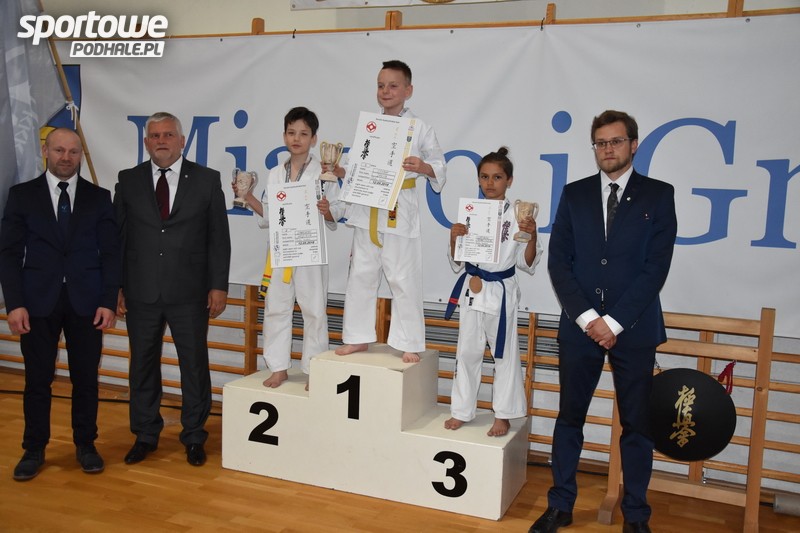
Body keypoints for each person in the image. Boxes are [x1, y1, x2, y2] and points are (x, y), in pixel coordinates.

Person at [531, 110, 677, 533]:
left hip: (634, 328)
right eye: (600, 142)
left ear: (634, 144)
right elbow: (559, 263)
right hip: (580, 328)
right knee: (569, 418)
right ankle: (560, 505)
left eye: (616, 141)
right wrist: (588, 318)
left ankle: (636, 515)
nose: (608, 149)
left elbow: (656, 267)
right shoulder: (574, 194)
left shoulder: (658, 195)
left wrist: (613, 323)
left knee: (637, 426)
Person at [0, 128, 120, 481]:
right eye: (59, 150)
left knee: (86, 380)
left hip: (87, 303)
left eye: (73, 151)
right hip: (37, 303)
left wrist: (108, 301)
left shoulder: (99, 198)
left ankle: (86, 445)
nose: (66, 157)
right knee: (37, 380)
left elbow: (111, 254)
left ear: (81, 154)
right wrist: (14, 304)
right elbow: (8, 254)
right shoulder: (22, 196)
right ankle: (33, 449)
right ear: (45, 151)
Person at [114, 112, 231, 467]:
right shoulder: (128, 180)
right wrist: (115, 287)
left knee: (193, 366)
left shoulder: (207, 179)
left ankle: (194, 435)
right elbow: (118, 238)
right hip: (141, 291)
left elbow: (218, 238)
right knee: (142, 366)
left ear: (182, 141)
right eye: (154, 136)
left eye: (168, 135)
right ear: (146, 142)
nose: (161, 141)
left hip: (190, 292)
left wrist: (218, 285)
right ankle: (145, 434)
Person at [334, 60, 446, 363]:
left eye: (393, 86)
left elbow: (439, 164)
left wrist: (423, 167)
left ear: (408, 90)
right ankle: (357, 337)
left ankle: (409, 341)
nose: (386, 91)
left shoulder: (419, 127)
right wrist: (341, 170)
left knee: (403, 278)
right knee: (360, 275)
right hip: (367, 208)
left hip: (399, 209)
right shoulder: (369, 126)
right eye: (381, 86)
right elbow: (356, 165)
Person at [238, 107, 342, 388]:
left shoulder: (325, 173)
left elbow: (337, 210)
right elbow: (269, 216)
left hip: (310, 251)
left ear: (314, 139)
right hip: (281, 250)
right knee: (276, 308)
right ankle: (278, 366)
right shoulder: (275, 173)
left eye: (304, 134)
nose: (297, 138)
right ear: (284, 136)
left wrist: (327, 211)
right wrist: (248, 196)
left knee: (314, 310)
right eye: (292, 132)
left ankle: (313, 369)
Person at [443, 147, 542, 437]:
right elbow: (458, 261)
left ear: (509, 181)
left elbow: (527, 263)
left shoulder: (519, 216)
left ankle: (504, 414)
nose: (490, 183)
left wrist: (532, 235)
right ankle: (462, 410)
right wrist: (454, 239)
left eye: (497, 177)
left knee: (505, 355)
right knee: (467, 352)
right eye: (484, 177)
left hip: (500, 291)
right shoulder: (471, 214)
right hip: (472, 289)